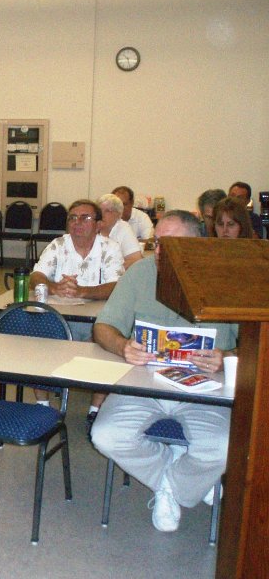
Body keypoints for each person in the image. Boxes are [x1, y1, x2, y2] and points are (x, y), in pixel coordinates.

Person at [91, 210, 238, 532]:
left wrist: (225, 357)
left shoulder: (227, 280)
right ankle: (184, 481)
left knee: (224, 447)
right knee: (105, 435)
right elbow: (103, 326)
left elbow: (254, 348)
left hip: (207, 387)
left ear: (197, 246)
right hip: (143, 380)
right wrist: (122, 346)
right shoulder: (141, 273)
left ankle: (169, 490)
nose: (158, 252)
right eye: (156, 243)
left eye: (168, 245)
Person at [30, 199, 124, 409]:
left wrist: (83, 292)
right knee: (37, 340)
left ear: (99, 224)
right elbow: (36, 276)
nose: (77, 223)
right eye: (72, 218)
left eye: (85, 218)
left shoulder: (110, 248)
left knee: (110, 345)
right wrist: (54, 288)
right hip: (59, 317)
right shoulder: (58, 245)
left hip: (98, 319)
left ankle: (95, 408)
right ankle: (43, 405)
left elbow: (117, 285)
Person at [97, 193, 143, 269]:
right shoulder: (91, 227)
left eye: (107, 211)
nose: (102, 214)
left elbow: (136, 259)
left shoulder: (123, 228)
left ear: (118, 214)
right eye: (99, 210)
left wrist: (111, 269)